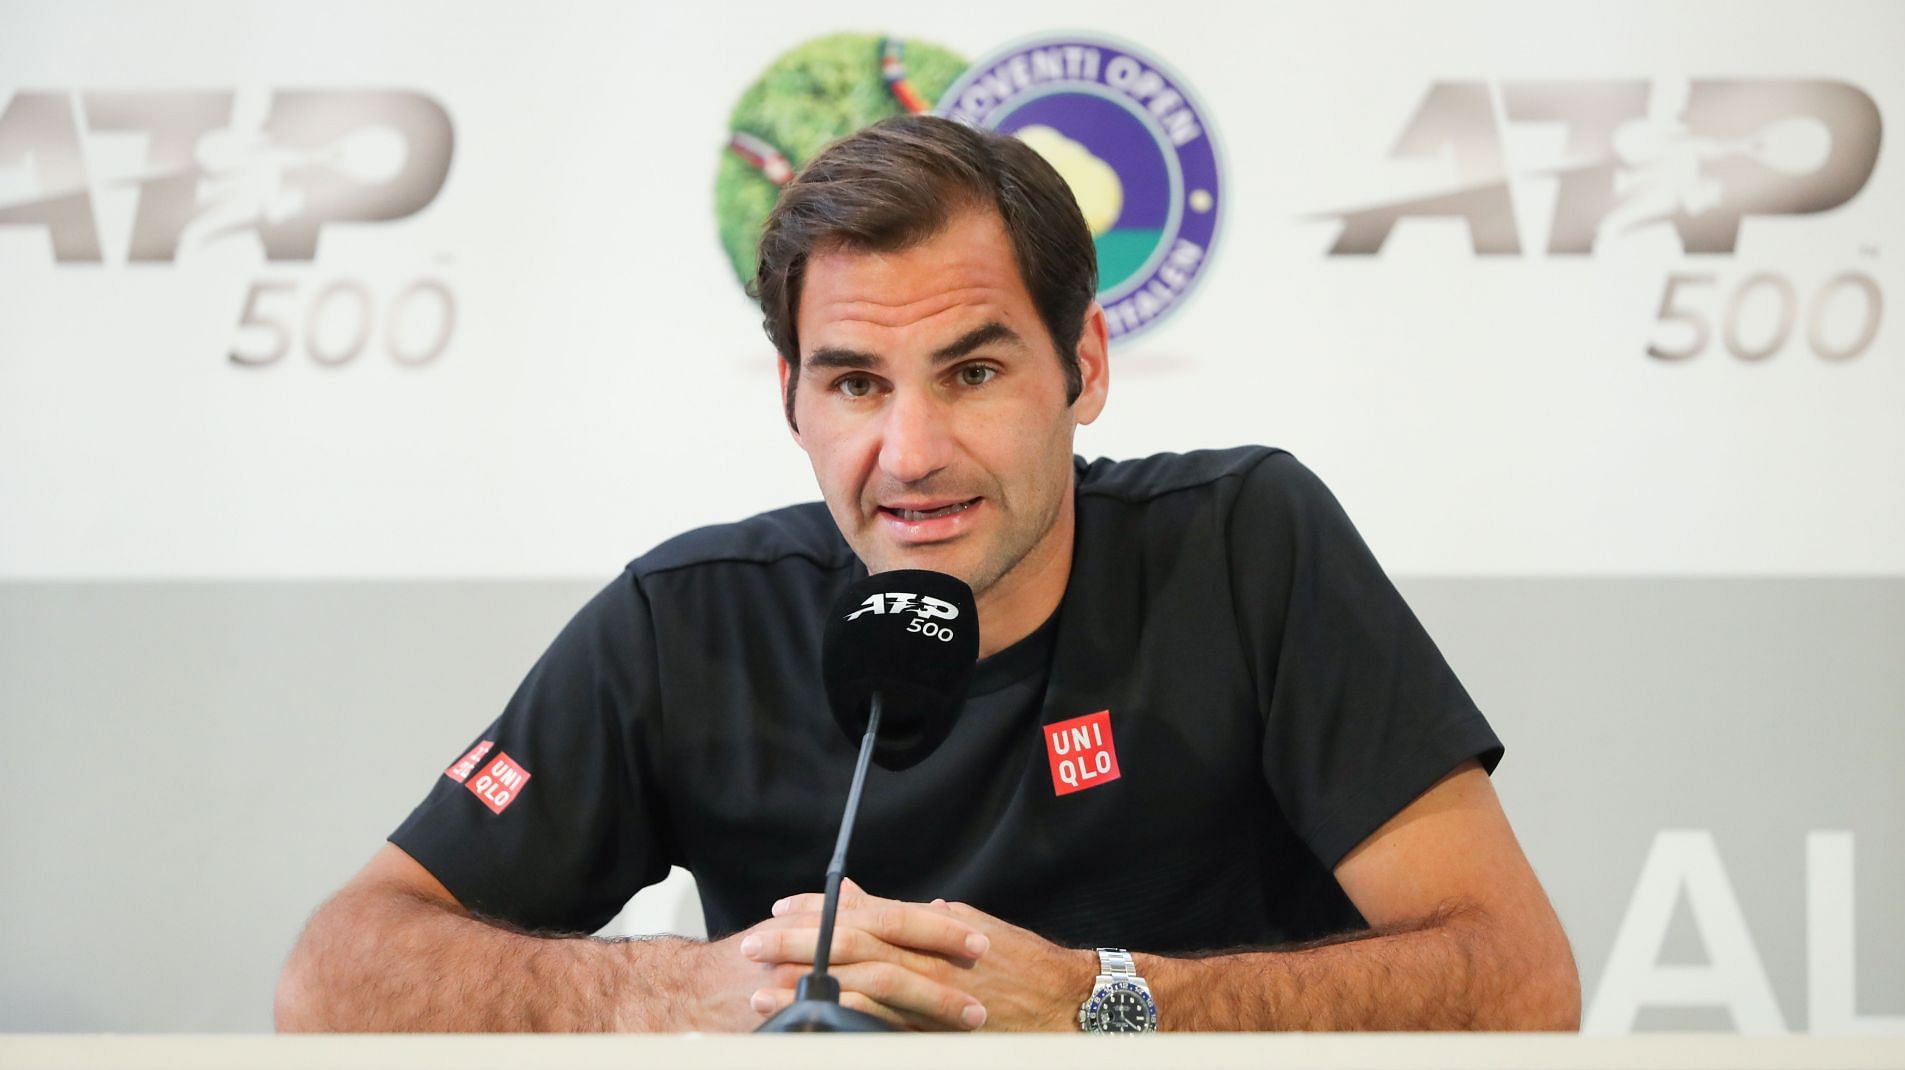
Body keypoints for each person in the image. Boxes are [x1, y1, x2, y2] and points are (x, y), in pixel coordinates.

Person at [275, 116, 1580, 1033]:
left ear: (1087, 366)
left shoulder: (1245, 544)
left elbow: (1519, 980)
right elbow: (335, 978)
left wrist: (1102, 1002)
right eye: (854, 382)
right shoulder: (690, 621)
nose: (911, 454)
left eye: (973, 370)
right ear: (792, 401)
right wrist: (661, 993)